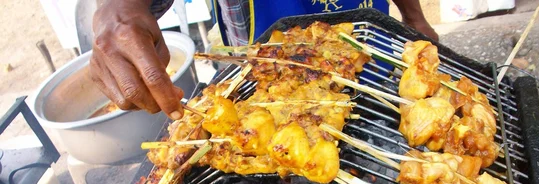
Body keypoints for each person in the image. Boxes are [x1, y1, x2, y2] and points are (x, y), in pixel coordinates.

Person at [90, 0, 438, 120]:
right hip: (267, 79)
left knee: (384, 109)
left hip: (368, 49)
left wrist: (413, 16)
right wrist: (117, 7)